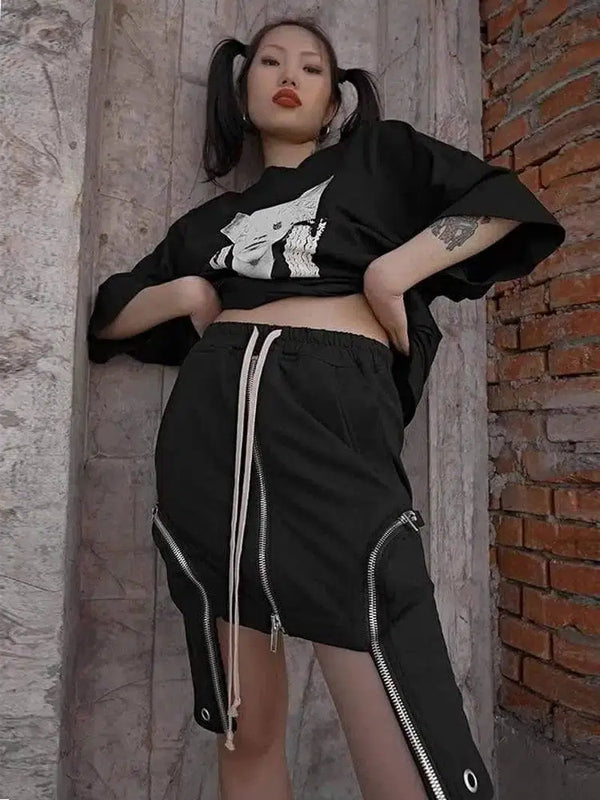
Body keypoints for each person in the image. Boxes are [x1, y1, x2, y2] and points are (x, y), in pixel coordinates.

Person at [87, 15, 566, 800]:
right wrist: (190, 292)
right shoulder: (206, 225)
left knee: (407, 725)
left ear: (335, 99)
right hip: (212, 440)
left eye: (312, 67)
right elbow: (109, 317)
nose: (290, 75)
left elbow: (501, 203)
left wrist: (392, 273)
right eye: (270, 62)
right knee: (246, 728)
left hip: (330, 420)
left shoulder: (378, 160)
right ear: (241, 94)